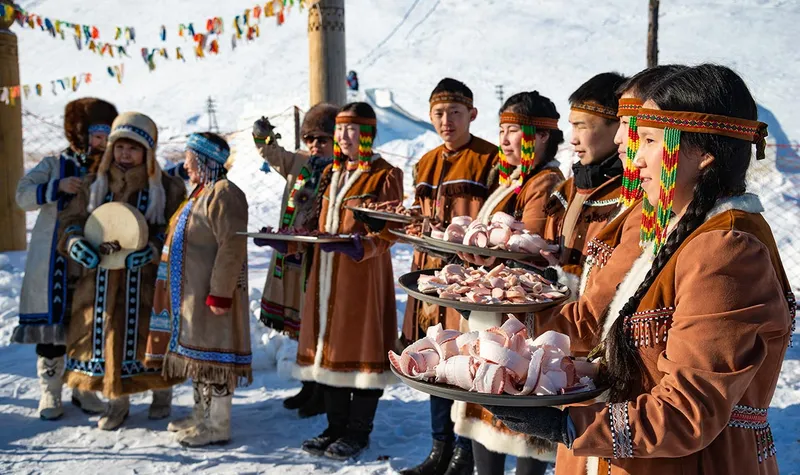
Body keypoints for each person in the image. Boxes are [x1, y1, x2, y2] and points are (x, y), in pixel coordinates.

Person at [486, 64, 793, 475]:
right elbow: (637, 357)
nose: (630, 151)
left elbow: (688, 410)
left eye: (648, 139)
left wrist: (569, 424)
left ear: (703, 154)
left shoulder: (726, 250)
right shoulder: (678, 231)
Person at [262, 102, 402, 460]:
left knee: (363, 351)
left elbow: (391, 229)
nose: (343, 137)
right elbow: (314, 225)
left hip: (361, 278)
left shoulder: (384, 174)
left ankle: (358, 431)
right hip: (324, 278)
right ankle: (336, 426)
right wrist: (287, 239)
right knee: (330, 352)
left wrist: (364, 246)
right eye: (339, 129)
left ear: (368, 133)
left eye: (351, 130)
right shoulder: (331, 174)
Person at [452, 90, 564, 475]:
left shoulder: (545, 182)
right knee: (487, 417)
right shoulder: (515, 179)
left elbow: (525, 245)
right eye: (501, 128)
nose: (503, 138)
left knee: (514, 416)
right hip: (493, 309)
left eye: (513, 129)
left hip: (518, 316)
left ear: (542, 135)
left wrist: (476, 251)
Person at [57, 112, 187, 430]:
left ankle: (162, 393)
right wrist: (75, 243)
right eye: (119, 147)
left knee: (153, 337)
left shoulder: (168, 188)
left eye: (133, 148)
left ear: (147, 151)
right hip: (100, 279)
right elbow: (71, 222)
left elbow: (175, 229)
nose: (124, 154)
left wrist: (152, 250)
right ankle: (118, 403)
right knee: (107, 339)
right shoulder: (94, 184)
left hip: (146, 281)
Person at [401, 78, 498, 475]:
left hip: (468, 277)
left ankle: (462, 452)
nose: (447, 121)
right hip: (428, 278)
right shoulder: (424, 162)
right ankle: (439, 447)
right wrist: (412, 222)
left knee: (463, 362)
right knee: (433, 358)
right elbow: (419, 211)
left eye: (455, 113)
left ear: (472, 115)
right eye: (439, 113)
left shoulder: (490, 159)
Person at [12, 98, 117, 420]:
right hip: (54, 262)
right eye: (97, 135)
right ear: (81, 134)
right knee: (53, 328)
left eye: (106, 136)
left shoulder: (110, 169)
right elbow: (22, 196)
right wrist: (54, 187)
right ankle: (50, 393)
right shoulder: (53, 164)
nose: (102, 142)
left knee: (87, 327)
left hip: (93, 260)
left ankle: (83, 389)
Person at [145, 132, 250, 446]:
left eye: (190, 160)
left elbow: (232, 246)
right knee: (199, 358)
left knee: (215, 358)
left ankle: (218, 425)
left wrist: (220, 292)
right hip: (192, 294)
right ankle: (201, 416)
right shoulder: (201, 192)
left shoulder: (225, 193)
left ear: (205, 161)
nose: (185, 166)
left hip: (213, 295)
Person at [252, 103, 339, 417]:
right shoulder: (298, 162)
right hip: (292, 262)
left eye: (323, 139)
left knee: (317, 327)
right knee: (300, 329)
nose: (316, 145)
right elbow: (272, 154)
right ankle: (308, 385)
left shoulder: (340, 171)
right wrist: (262, 136)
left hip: (318, 261)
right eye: (311, 138)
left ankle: (321, 390)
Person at [542, 72, 627, 297]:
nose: (573, 139)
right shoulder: (565, 191)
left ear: (618, 126)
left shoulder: (632, 198)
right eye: (572, 126)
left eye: (582, 127)